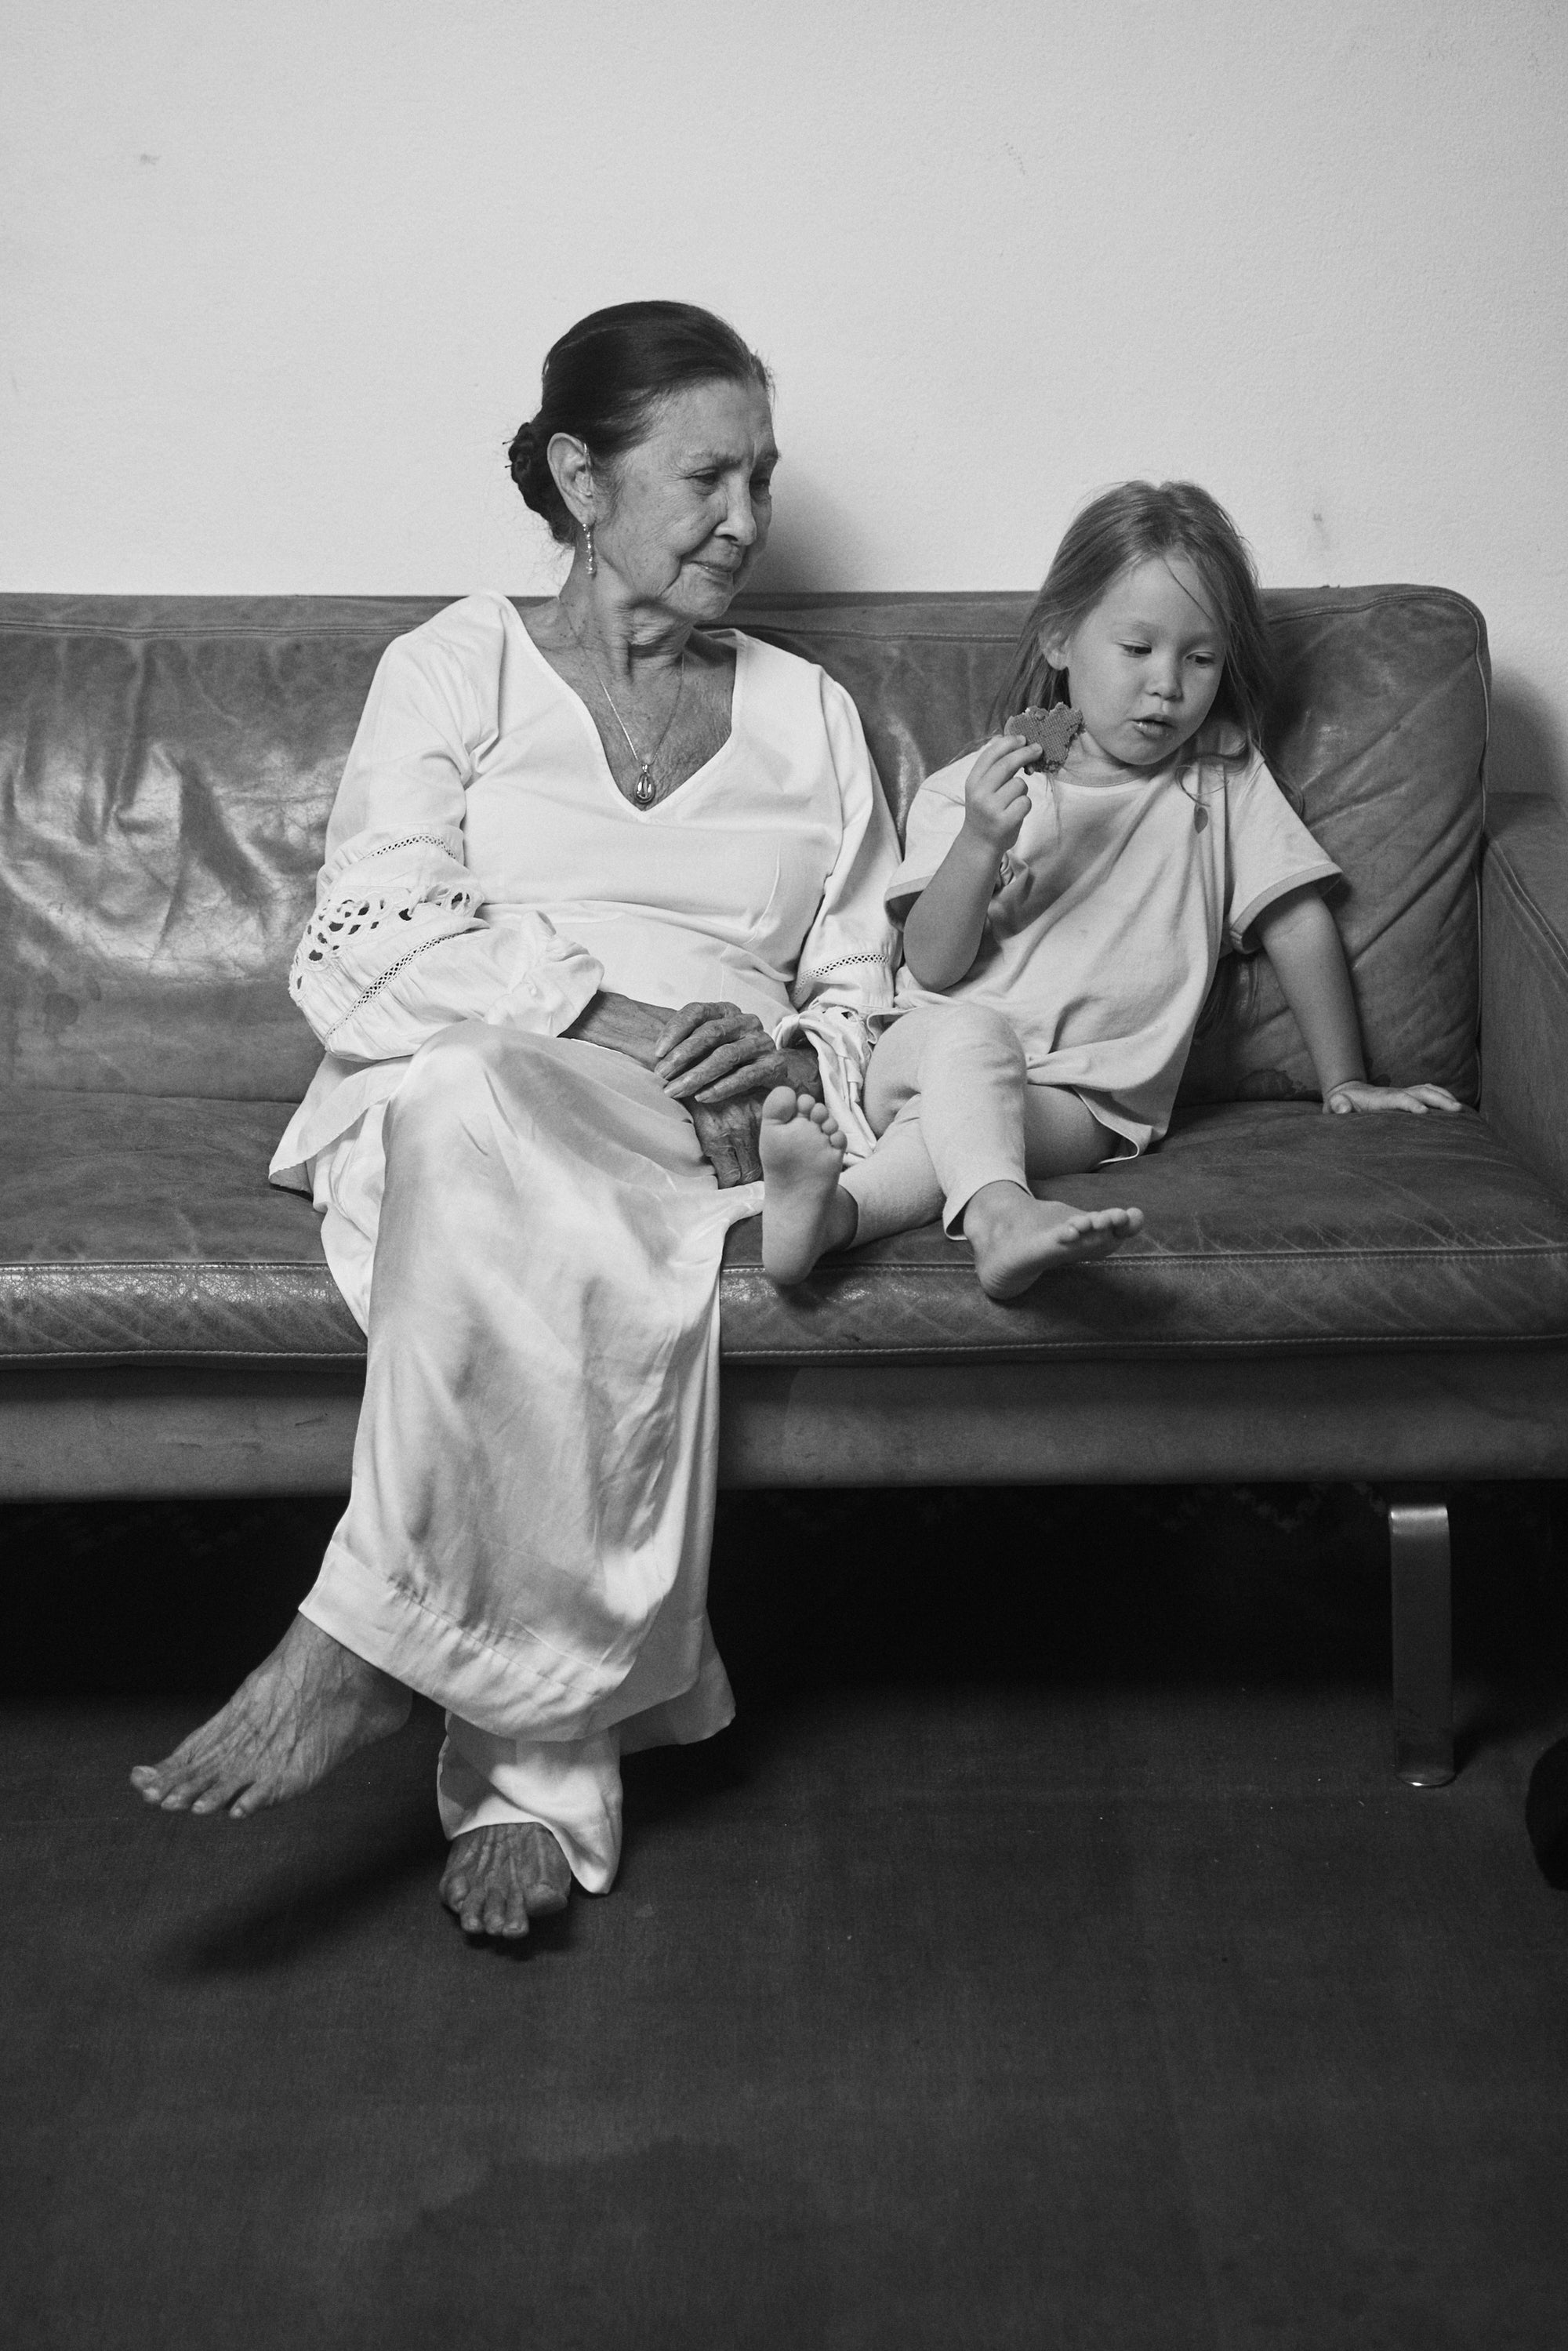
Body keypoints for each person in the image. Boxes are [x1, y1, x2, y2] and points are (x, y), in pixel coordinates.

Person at [130, 301, 899, 1938]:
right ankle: (532, 1765)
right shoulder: (455, 663)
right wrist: (596, 1014)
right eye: (705, 476)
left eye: (760, 477)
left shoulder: (807, 715)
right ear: (579, 473)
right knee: (477, 1103)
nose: (745, 519)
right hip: (472, 1090)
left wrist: (787, 1068)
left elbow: (860, 989)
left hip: (692, 1134)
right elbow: (368, 942)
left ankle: (364, 1642)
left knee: (528, 1174)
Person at [759, 480, 1462, 1297]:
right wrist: (984, 840)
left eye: (1198, 658)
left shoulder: (1222, 783)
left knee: (943, 1141)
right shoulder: (976, 788)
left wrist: (1345, 1079)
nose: (1167, 684)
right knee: (970, 1041)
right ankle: (1000, 1217)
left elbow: (1297, 925)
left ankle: (826, 1219)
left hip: (1084, 1103)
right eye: (1136, 649)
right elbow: (935, 963)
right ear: (1060, 638)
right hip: (925, 1047)